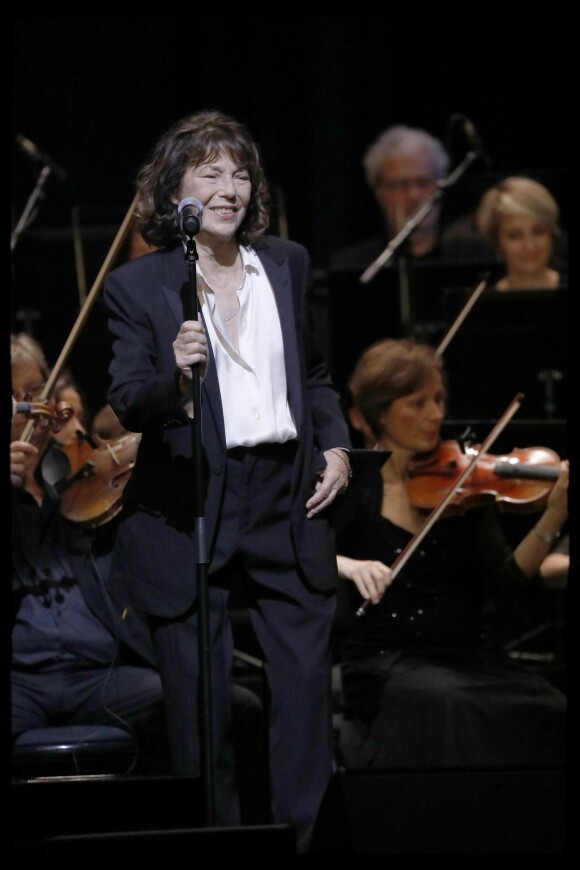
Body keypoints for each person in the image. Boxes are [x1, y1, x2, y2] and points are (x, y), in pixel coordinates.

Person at [102, 109, 352, 851]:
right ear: (175, 192)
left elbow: (314, 378)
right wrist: (173, 379)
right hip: (192, 504)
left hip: (284, 495)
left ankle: (305, 844)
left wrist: (335, 447)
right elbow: (125, 397)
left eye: (240, 173)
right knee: (203, 718)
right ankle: (221, 847)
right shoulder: (139, 286)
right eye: (209, 173)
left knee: (305, 703)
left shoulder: (288, 263)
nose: (230, 187)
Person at [331, 337, 567, 771]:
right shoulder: (353, 485)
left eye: (438, 399)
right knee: (452, 705)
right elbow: (305, 557)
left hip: (468, 657)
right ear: (376, 414)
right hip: (384, 662)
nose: (436, 414)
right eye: (417, 403)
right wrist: (346, 564)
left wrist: (553, 516)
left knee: (548, 705)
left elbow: (508, 580)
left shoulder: (464, 482)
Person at [10, 333, 170, 775]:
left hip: (99, 674)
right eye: (20, 399)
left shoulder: (81, 471)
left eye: (34, 394)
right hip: (20, 679)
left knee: (180, 699)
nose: (36, 411)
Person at [328, 124, 493, 272]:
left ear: (441, 185)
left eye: (423, 182)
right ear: (378, 191)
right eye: (399, 185)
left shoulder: (474, 257)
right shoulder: (353, 265)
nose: (413, 195)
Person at [475, 175, 567, 290]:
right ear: (497, 242)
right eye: (515, 236)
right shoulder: (480, 303)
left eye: (538, 232)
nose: (529, 246)